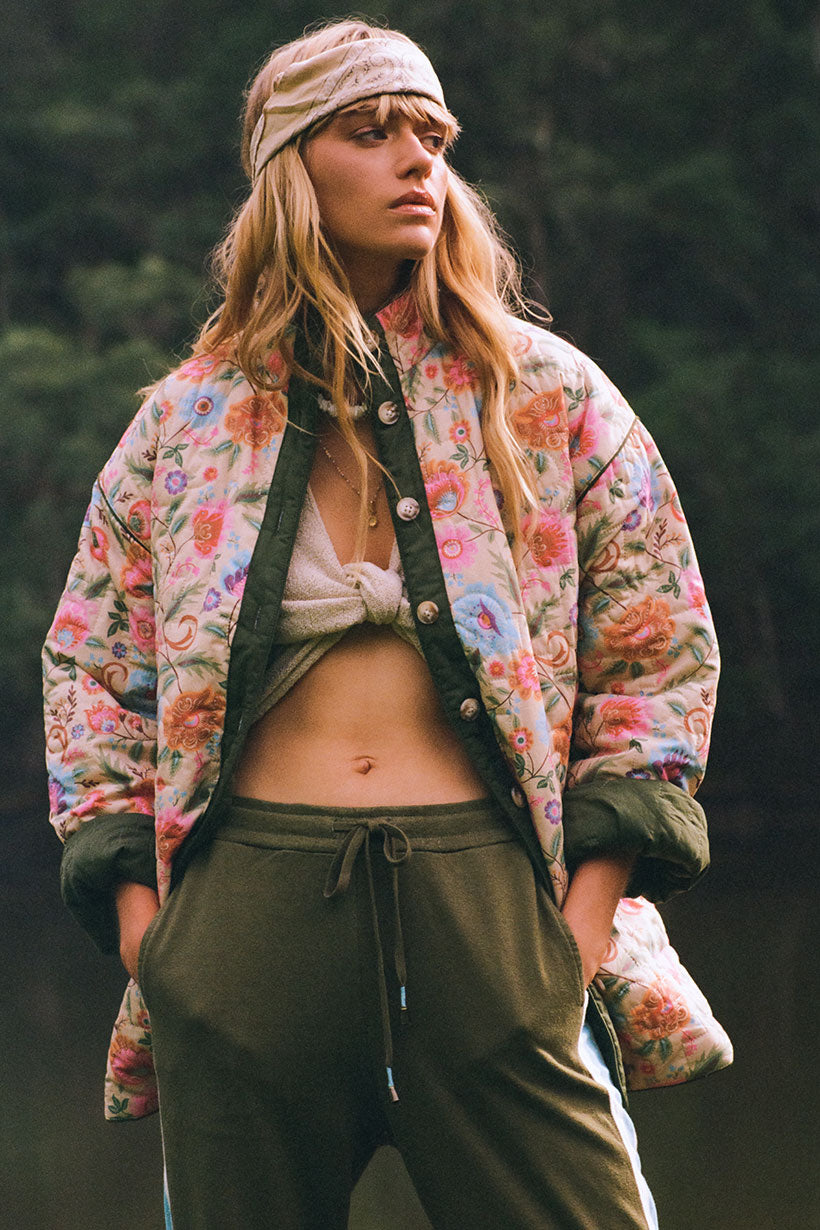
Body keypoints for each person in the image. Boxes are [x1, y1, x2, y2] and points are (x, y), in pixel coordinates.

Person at [43, 18, 720, 1230]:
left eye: (432, 136)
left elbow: (654, 654)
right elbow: (93, 670)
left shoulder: (550, 396)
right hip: (243, 926)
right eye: (369, 132)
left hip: (492, 914)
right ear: (288, 170)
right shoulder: (186, 421)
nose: (417, 160)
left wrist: (568, 941)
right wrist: (158, 947)